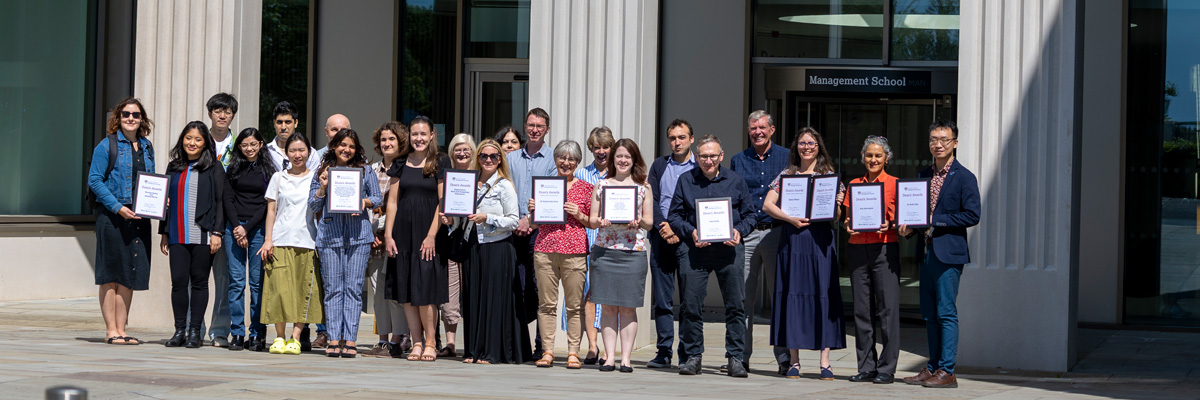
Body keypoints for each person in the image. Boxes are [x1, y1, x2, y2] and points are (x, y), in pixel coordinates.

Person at [898, 120, 981, 389]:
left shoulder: (965, 177)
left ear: (955, 143)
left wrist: (938, 219)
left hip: (949, 254)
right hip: (927, 251)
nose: (938, 144)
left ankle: (948, 371)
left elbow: (972, 214)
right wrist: (909, 228)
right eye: (934, 139)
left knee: (946, 313)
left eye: (944, 139)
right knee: (929, 314)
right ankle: (932, 367)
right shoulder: (923, 175)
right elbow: (918, 214)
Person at [761, 127, 846, 380]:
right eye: (802, 143)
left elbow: (839, 214)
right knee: (793, 296)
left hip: (820, 241)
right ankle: (794, 362)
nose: (806, 147)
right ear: (796, 147)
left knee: (824, 295)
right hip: (794, 240)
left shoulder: (829, 177)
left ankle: (825, 361)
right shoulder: (787, 175)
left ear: (819, 146)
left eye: (811, 143)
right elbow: (767, 204)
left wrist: (834, 208)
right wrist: (791, 218)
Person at [668, 135, 755, 378]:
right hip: (695, 250)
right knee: (691, 306)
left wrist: (739, 231)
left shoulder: (735, 181)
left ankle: (735, 358)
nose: (708, 160)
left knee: (736, 306)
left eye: (712, 156)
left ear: (721, 156)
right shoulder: (686, 180)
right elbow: (674, 216)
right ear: (697, 156)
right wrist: (691, 232)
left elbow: (750, 215)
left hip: (729, 251)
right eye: (704, 156)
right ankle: (693, 356)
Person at [309, 128, 383, 358]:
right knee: (333, 290)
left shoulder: (365, 170)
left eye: (351, 146)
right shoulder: (323, 171)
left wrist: (364, 201)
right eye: (342, 145)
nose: (346, 150)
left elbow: (378, 198)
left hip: (358, 236)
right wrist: (322, 187)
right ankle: (333, 338)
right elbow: (313, 206)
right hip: (330, 235)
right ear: (333, 146)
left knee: (352, 289)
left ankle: (350, 339)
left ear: (356, 148)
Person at [88, 97, 156, 346]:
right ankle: (111, 330)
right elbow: (94, 181)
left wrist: (160, 202)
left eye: (136, 115)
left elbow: (151, 183)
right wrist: (118, 207)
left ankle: (123, 329)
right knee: (110, 275)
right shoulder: (106, 146)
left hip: (139, 218)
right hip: (112, 217)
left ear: (142, 119)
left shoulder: (147, 147)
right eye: (126, 114)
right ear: (118, 117)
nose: (131, 118)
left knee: (130, 273)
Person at [383, 116, 451, 362]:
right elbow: (392, 202)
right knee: (408, 290)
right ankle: (417, 342)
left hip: (428, 235)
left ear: (432, 135)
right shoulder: (400, 162)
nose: (419, 138)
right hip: (403, 233)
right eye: (414, 134)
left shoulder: (441, 161)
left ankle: (431, 341)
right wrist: (389, 234)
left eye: (423, 134)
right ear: (409, 136)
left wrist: (432, 235)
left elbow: (443, 202)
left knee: (426, 291)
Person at [729, 110, 790, 374]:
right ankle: (740, 357)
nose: (757, 132)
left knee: (781, 297)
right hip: (748, 234)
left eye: (762, 127)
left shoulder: (788, 157)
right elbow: (732, 199)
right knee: (744, 299)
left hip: (779, 232)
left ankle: (785, 357)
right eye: (753, 128)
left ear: (772, 129)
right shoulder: (737, 160)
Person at [586, 138, 654, 373]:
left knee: (628, 308)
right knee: (607, 308)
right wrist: (600, 220)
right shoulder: (602, 185)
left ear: (634, 159)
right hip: (604, 253)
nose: (623, 160)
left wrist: (639, 221)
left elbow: (649, 222)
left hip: (632, 253)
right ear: (613, 159)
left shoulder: (643, 186)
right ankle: (609, 358)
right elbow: (592, 219)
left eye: (627, 156)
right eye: (619, 156)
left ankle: (626, 359)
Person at [458, 139, 527, 364]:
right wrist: (450, 217)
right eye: (484, 156)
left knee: (494, 300)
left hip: (497, 246)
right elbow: (461, 214)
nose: (489, 160)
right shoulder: (469, 182)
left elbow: (514, 221)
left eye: (494, 157)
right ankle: (473, 350)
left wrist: (488, 218)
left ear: (500, 160)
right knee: (474, 298)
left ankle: (492, 352)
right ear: (477, 158)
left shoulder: (504, 185)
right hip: (473, 244)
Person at [158, 121, 225, 349]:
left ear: (205, 142)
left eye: (197, 139)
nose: (192, 143)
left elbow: (220, 202)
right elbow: (165, 203)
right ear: (182, 140)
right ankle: (179, 331)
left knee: (199, 283)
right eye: (188, 138)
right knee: (178, 283)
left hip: (204, 235)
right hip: (176, 233)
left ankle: (195, 332)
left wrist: (217, 232)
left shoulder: (214, 168)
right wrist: (164, 233)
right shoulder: (174, 166)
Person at [526, 140, 592, 369]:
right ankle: (548, 351)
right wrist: (533, 210)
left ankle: (573, 352)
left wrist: (579, 214)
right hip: (545, 249)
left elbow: (593, 223)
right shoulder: (544, 186)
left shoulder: (586, 188)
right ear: (555, 160)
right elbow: (534, 224)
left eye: (571, 159)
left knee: (574, 306)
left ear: (578, 162)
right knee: (546, 305)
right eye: (562, 158)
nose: (566, 162)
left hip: (574, 252)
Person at [840, 136, 901, 384]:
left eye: (878, 155)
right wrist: (848, 226)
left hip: (885, 248)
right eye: (869, 155)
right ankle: (866, 366)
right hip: (857, 249)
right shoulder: (854, 184)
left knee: (888, 310)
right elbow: (847, 218)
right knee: (862, 311)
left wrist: (891, 224)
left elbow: (902, 219)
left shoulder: (896, 184)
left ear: (887, 158)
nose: (873, 160)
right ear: (863, 158)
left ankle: (887, 368)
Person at [258, 133, 323, 355]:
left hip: (307, 240)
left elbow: (318, 209)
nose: (297, 155)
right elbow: (271, 211)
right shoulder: (278, 177)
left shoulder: (315, 177)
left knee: (302, 291)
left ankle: (295, 337)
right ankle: (279, 337)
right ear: (287, 153)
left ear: (309, 152)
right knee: (279, 290)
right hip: (280, 239)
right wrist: (268, 239)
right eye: (293, 150)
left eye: (302, 150)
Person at [506, 108, 557, 357]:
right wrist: (517, 221)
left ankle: (540, 346)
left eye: (540, 126)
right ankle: (519, 344)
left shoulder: (553, 160)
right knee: (517, 286)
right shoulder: (511, 158)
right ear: (525, 126)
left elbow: (552, 200)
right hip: (512, 231)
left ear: (547, 129)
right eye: (530, 125)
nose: (534, 129)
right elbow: (505, 192)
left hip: (540, 233)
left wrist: (529, 221)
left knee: (539, 288)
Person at [645, 119, 695, 368]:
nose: (677, 142)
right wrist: (663, 226)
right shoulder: (659, 165)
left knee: (689, 299)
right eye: (673, 138)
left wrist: (679, 230)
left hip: (689, 240)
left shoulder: (701, 166)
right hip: (660, 237)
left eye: (682, 137)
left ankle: (687, 352)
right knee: (662, 299)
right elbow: (650, 199)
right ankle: (664, 350)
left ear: (691, 139)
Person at [223, 128, 278, 351]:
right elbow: (227, 198)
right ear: (239, 147)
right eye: (245, 145)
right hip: (233, 228)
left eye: (253, 144)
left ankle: (257, 334)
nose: (249, 148)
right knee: (237, 283)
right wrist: (237, 227)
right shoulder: (232, 169)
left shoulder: (268, 170)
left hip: (257, 230)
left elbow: (268, 203)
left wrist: (247, 228)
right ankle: (237, 333)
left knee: (257, 284)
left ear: (261, 145)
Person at [362, 122, 413, 359]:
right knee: (377, 293)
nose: (387, 144)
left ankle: (398, 339)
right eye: (383, 139)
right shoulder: (370, 170)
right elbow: (364, 204)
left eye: (392, 139)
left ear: (401, 141)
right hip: (373, 240)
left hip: (396, 239)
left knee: (394, 293)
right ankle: (382, 340)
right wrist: (371, 233)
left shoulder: (408, 169)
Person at [432, 133, 476, 358]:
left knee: (471, 293)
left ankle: (472, 342)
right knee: (450, 295)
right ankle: (450, 344)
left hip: (473, 243)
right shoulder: (445, 178)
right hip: (449, 242)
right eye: (457, 149)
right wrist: (447, 219)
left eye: (466, 149)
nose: (462, 153)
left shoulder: (480, 177)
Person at [574, 127, 613, 365]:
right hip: (585, 239)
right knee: (586, 294)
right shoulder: (580, 175)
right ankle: (592, 346)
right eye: (597, 147)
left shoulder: (619, 175)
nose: (601, 151)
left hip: (610, 242)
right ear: (591, 148)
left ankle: (608, 349)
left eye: (606, 146)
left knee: (607, 295)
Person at [206, 93, 238, 348]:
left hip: (227, 222)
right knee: (194, 279)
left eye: (227, 111)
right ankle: (190, 327)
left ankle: (219, 331)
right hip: (197, 220)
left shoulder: (240, 147)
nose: (222, 115)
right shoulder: (196, 140)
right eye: (218, 110)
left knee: (224, 280)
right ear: (210, 114)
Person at [265, 101, 320, 172]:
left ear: (296, 123)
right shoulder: (266, 151)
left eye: (288, 122)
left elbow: (313, 181)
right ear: (274, 123)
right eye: (279, 122)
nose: (283, 127)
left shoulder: (311, 154)